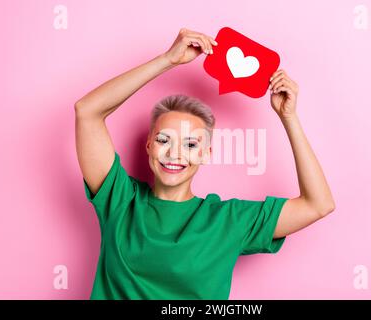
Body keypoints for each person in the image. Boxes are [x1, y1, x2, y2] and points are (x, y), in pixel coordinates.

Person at [74, 27, 335, 300]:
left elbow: (318, 204)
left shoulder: (227, 221)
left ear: (205, 154)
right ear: (149, 145)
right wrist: (167, 60)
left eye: (190, 144)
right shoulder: (120, 200)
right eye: (164, 140)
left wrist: (288, 117)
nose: (175, 153)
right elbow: (87, 111)